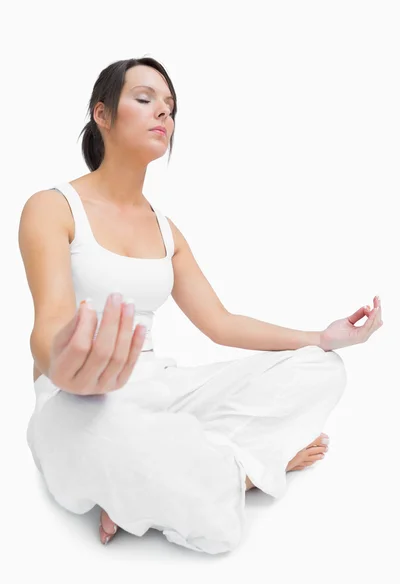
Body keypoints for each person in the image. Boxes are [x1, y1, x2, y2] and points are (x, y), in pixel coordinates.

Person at [19, 57, 383, 555]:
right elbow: (47, 330)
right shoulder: (53, 207)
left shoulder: (166, 230)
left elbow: (221, 323)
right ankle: (244, 468)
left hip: (159, 388)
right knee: (215, 524)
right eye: (145, 100)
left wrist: (322, 337)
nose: (162, 116)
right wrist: (65, 365)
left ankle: (161, 481)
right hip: (77, 401)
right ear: (102, 114)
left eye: (170, 109)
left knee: (324, 371)